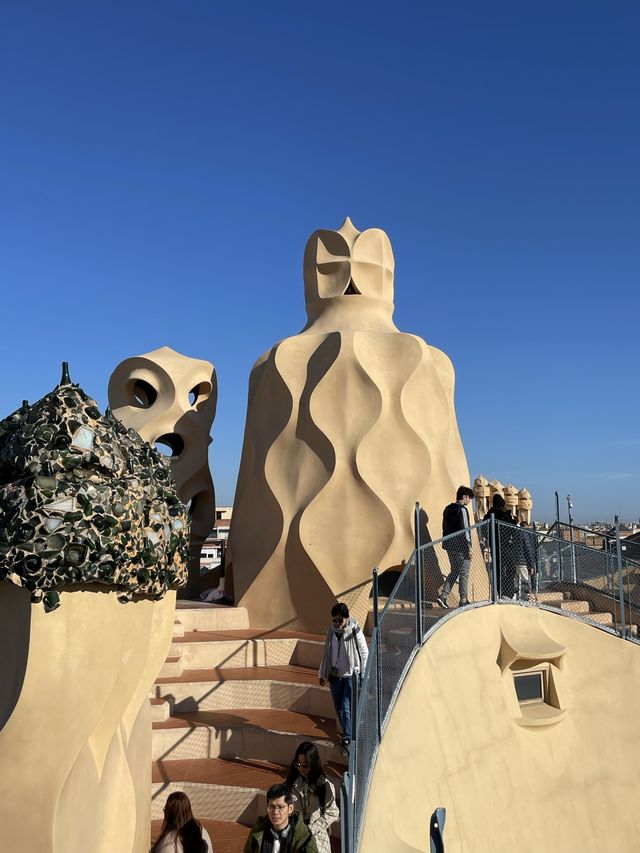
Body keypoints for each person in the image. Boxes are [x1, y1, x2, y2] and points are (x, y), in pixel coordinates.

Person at [318, 602, 369, 753]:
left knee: (346, 707)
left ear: (347, 618)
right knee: (339, 708)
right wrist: (322, 674)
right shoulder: (331, 632)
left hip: (350, 676)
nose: (337, 623)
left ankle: (348, 738)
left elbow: (364, 652)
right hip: (335, 676)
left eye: (340, 620)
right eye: (334, 620)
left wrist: (362, 674)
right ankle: (351, 733)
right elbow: (327, 652)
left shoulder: (354, 631)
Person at [284, 742, 339, 853]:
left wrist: (312, 829)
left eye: (305, 766)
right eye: (298, 765)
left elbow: (333, 812)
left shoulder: (324, 785)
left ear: (313, 764)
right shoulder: (289, 782)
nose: (301, 769)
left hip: (318, 840)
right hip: (295, 839)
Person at [243, 783, 318, 852]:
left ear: (290, 809)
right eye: (271, 807)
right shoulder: (258, 831)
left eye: (280, 807)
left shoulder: (304, 837)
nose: (275, 812)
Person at [437, 486, 474, 609]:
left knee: (454, 571)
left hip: (449, 545)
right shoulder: (461, 510)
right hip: (461, 546)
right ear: (464, 497)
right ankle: (463, 600)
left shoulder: (447, 509)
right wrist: (469, 547)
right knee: (464, 573)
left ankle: (443, 596)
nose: (470, 501)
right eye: (469, 498)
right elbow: (466, 529)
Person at [483, 493, 518, 599]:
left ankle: (500, 591)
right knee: (510, 568)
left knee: (498, 569)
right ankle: (508, 592)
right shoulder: (505, 514)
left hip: (495, 546)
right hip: (506, 545)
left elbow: (485, 530)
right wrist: (513, 520)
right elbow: (512, 527)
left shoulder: (488, 515)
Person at [514, 521, 538, 601]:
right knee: (525, 581)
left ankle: (517, 598)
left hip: (515, 561)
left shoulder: (516, 533)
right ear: (526, 526)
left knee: (517, 582)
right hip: (523, 562)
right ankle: (525, 599)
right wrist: (531, 565)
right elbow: (528, 550)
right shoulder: (525, 534)